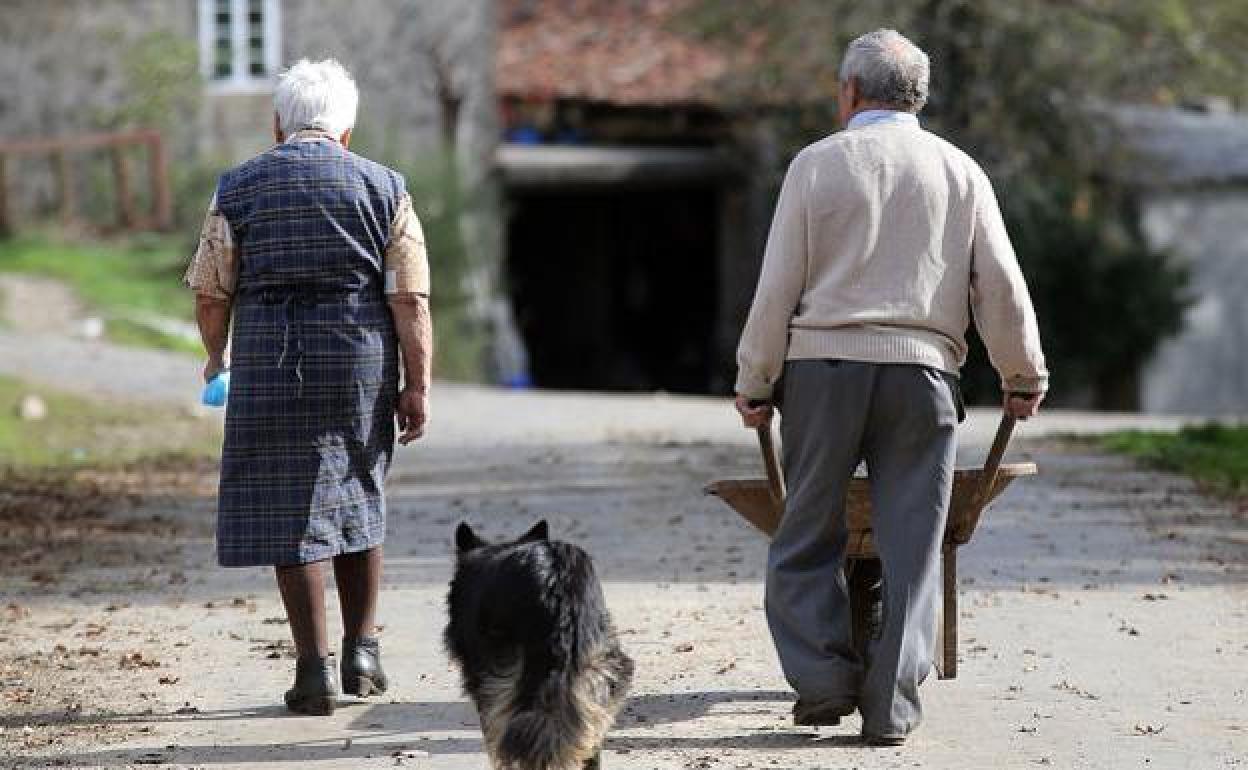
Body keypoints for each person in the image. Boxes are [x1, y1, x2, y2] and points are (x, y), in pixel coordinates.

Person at [734, 29, 1047, 745]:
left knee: (805, 532)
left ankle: (822, 680)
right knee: (913, 546)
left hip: (821, 376)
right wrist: (1022, 374)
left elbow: (776, 286)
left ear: (849, 92)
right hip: (923, 378)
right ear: (920, 96)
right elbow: (998, 285)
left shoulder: (815, 166)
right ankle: (892, 709)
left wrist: (756, 381)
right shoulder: (959, 171)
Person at [184, 58, 433, 715]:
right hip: (361, 364)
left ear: (277, 125)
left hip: (270, 361)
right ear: (346, 132)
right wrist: (418, 385)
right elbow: (410, 299)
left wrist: (218, 356)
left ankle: (314, 669)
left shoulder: (236, 188)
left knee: (285, 506)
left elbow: (211, 291)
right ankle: (363, 650)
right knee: (358, 491)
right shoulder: (386, 189)